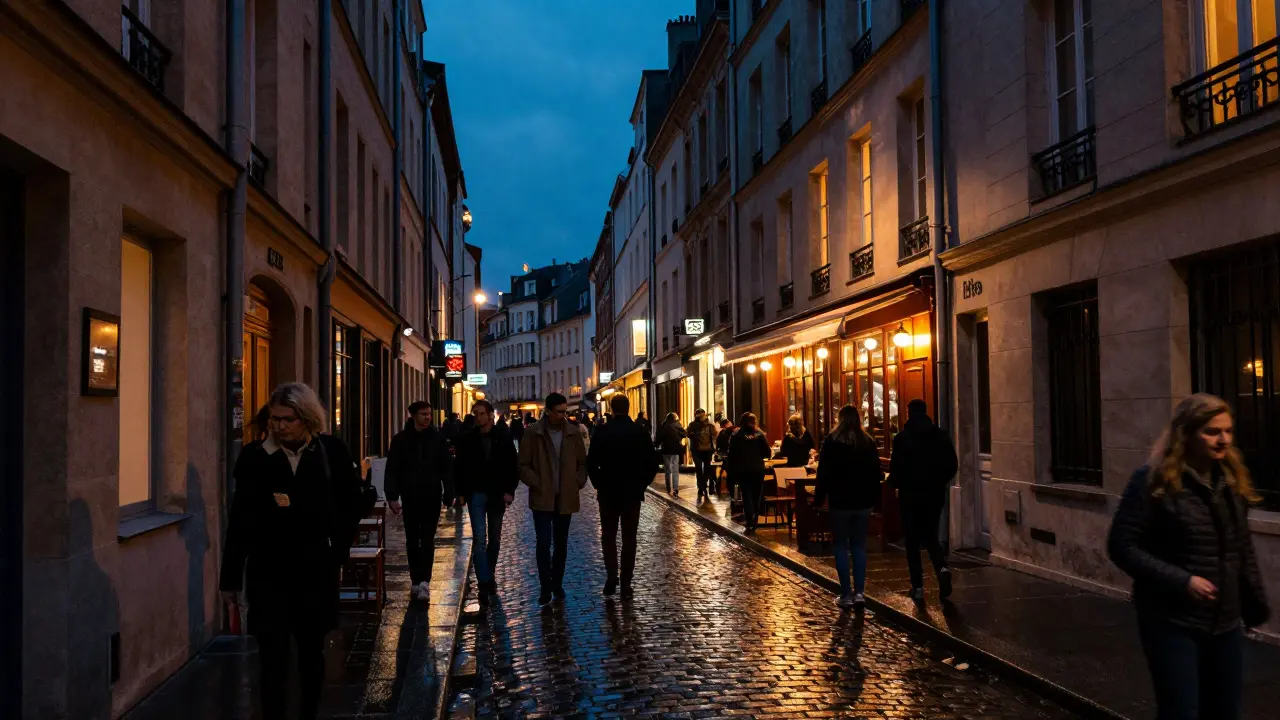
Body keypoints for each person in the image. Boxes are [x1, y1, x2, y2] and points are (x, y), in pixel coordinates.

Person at [1108, 394, 1269, 719]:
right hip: (1172, 620)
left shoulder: (1231, 479)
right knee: (1181, 711)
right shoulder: (1152, 480)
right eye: (1212, 431)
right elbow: (1122, 546)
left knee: (1224, 711)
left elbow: (1241, 547)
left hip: (1224, 621)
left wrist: (1252, 604)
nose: (1223, 439)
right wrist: (1183, 581)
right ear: (1186, 434)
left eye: (1228, 431)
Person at [220, 383, 369, 720]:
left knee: (311, 654)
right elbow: (240, 521)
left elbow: (351, 504)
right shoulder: (255, 457)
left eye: (288, 420)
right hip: (268, 573)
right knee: (271, 658)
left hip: (315, 572)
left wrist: (338, 550)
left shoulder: (330, 451)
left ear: (306, 419)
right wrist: (230, 578)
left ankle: (308, 713)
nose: (280, 426)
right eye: (275, 419)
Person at [519, 392, 588, 606]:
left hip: (565, 496)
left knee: (561, 544)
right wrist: (537, 482)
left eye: (564, 411)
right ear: (547, 411)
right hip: (542, 497)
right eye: (559, 412)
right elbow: (522, 464)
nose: (563, 415)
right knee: (543, 543)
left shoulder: (572, 433)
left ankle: (557, 584)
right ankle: (545, 587)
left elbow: (582, 462)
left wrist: (577, 481)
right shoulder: (533, 433)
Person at [587, 394, 658, 598]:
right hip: (632, 493)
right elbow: (652, 463)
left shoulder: (602, 431)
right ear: (628, 408)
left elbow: (591, 462)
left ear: (612, 407)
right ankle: (626, 583)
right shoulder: (640, 432)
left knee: (608, 536)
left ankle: (611, 576)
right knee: (629, 538)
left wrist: (599, 483)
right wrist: (641, 483)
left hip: (608, 491)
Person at [384, 401, 455, 603]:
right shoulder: (401, 440)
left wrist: (449, 491)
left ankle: (424, 581)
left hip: (431, 495)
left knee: (428, 539)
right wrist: (392, 495)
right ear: (413, 415)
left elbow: (446, 467)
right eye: (423, 414)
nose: (427, 418)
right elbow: (393, 468)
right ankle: (415, 579)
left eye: (429, 414)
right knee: (412, 539)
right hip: (410, 496)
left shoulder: (438, 439)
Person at [814, 405, 883, 609]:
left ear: (839, 419)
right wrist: (875, 498)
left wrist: (819, 499)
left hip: (840, 501)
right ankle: (860, 592)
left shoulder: (832, 442)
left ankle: (846, 593)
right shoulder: (867, 442)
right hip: (863, 502)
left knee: (841, 546)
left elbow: (823, 472)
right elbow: (876, 472)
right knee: (859, 546)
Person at [888, 399, 957, 601]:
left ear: (909, 413)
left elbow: (897, 468)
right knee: (930, 536)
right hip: (934, 495)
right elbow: (952, 464)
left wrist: (894, 484)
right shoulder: (941, 436)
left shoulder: (902, 438)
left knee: (911, 541)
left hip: (910, 495)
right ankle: (942, 567)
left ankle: (917, 587)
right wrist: (939, 481)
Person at [453, 399, 519, 607]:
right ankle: (484, 581)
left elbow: (511, 465)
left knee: (496, 540)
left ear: (491, 415)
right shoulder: (469, 438)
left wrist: (509, 490)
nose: (479, 417)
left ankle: (488, 574)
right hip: (477, 494)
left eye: (482, 413)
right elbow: (460, 466)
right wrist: (461, 492)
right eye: (476, 414)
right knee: (480, 539)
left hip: (497, 494)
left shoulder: (503, 436)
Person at [727, 413, 771, 534]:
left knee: (746, 494)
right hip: (757, 469)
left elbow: (731, 455)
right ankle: (755, 518)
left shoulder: (736, 435)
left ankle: (749, 519)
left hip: (742, 469)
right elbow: (767, 452)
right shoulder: (759, 434)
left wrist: (732, 470)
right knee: (757, 495)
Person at [686, 409, 719, 503]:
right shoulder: (693, 425)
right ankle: (701, 486)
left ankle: (702, 485)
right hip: (699, 450)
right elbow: (688, 434)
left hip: (706, 450)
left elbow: (714, 436)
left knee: (704, 469)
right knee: (700, 469)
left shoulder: (709, 425)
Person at [655, 412, 687, 497]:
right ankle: (675, 489)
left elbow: (658, 438)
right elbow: (684, 434)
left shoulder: (664, 426)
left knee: (667, 470)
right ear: (675, 418)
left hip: (666, 450)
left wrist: (656, 445)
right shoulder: (677, 425)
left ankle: (668, 488)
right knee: (675, 469)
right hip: (675, 450)